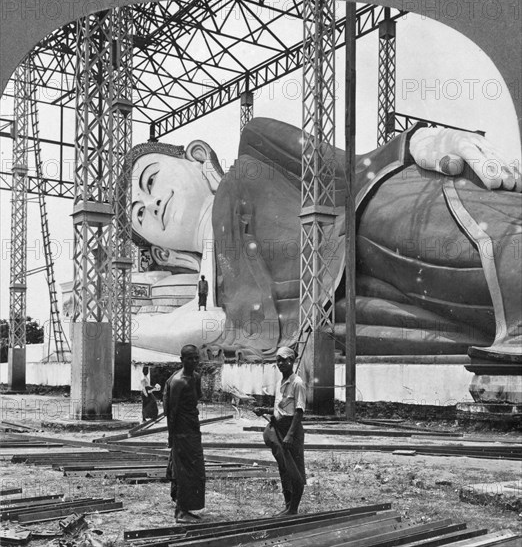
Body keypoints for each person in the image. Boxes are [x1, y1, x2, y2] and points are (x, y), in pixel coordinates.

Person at [129, 118, 521, 365]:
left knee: (478, 244)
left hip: (367, 224)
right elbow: (223, 327)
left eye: (151, 180)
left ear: (197, 157)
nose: (152, 203)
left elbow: (346, 167)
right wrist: (191, 327)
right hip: (350, 310)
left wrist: (417, 142)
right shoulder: (209, 290)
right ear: (161, 250)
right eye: (140, 214)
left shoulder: (256, 148)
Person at [254, 347, 306, 515]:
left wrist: (290, 435)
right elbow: (280, 409)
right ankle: (288, 505)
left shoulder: (297, 382)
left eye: (286, 359)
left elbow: (299, 411)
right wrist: (264, 410)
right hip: (279, 428)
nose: (282, 363)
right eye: (279, 360)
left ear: (292, 361)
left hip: (292, 431)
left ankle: (294, 509)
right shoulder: (279, 383)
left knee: (294, 470)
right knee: (284, 469)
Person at [163, 344, 205, 523]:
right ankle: (181, 511)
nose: (194, 361)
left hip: (193, 429)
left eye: (196, 358)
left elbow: (196, 400)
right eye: (190, 358)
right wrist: (172, 438)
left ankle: (186, 506)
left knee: (195, 470)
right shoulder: (178, 381)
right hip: (181, 432)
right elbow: (171, 412)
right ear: (182, 360)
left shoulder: (195, 378)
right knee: (184, 471)